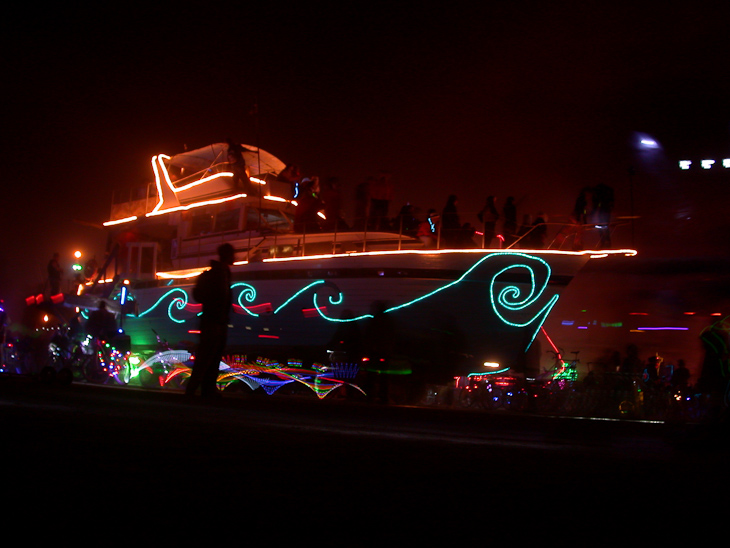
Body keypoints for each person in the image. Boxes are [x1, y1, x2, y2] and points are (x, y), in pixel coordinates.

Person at [187, 243, 235, 399]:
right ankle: (196, 390)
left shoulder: (220, 273)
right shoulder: (219, 274)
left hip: (214, 321)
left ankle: (202, 390)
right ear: (227, 255)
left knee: (211, 357)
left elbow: (200, 295)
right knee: (207, 357)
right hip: (214, 321)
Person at [592, 182, 614, 248]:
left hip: (603, 213)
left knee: (603, 227)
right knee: (603, 228)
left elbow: (597, 206)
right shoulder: (606, 199)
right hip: (604, 213)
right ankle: (605, 242)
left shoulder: (602, 200)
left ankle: (605, 242)